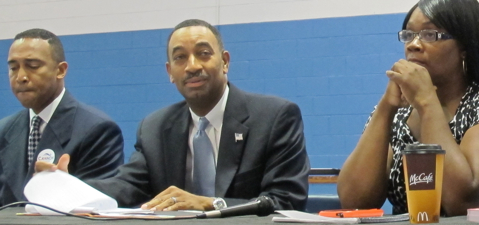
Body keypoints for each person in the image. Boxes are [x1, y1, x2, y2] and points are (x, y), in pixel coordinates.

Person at [38, 19, 310, 211]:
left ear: (225, 61)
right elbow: (128, 185)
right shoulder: (155, 128)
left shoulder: (275, 117)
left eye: (203, 54)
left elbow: (286, 201)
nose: (192, 66)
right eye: (180, 58)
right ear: (170, 72)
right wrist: (71, 187)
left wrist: (211, 203)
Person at [337, 0, 479, 216]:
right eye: (408, 35)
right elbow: (354, 201)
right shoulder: (399, 112)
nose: (413, 44)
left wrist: (428, 103)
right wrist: (386, 108)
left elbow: (463, 202)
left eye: (430, 35)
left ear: (465, 47)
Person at [0, 29, 125, 206]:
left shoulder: (97, 129)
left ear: (60, 70)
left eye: (33, 66)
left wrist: (64, 188)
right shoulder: (0, 132)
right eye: (13, 68)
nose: (21, 77)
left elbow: (98, 209)